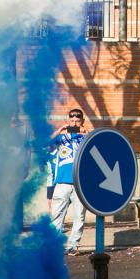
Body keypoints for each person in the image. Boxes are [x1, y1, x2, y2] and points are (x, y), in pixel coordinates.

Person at [49, 108, 89, 255]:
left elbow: (98, 145)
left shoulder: (85, 138)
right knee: (57, 215)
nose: (74, 123)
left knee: (79, 216)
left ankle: (73, 246)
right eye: (71, 121)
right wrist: (60, 130)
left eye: (77, 121)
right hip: (62, 183)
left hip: (80, 184)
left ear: (82, 121)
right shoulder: (61, 138)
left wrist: (86, 132)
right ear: (67, 121)